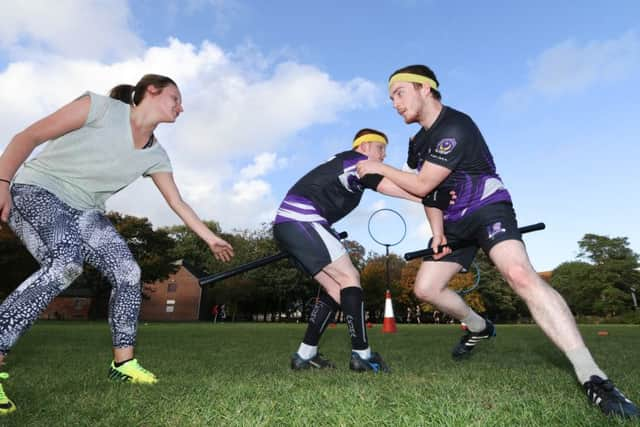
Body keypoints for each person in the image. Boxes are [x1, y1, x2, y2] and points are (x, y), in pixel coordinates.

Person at [356, 65, 638, 418]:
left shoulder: (456, 125)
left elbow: (422, 184)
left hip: (488, 207)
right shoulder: (418, 143)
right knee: (426, 289)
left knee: (519, 275)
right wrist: (439, 232)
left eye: (399, 93)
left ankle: (593, 377)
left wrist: (378, 168)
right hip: (455, 222)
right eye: (391, 98)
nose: (394, 103)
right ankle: (478, 326)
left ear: (425, 89)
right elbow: (432, 196)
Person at [0, 74, 234, 415]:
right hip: (36, 191)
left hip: (85, 210)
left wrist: (210, 238)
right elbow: (30, 135)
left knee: (128, 272)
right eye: (176, 99)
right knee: (66, 261)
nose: (181, 108)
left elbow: (177, 202)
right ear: (151, 91)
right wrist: (3, 180)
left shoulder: (156, 154)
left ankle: (123, 365)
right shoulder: (100, 108)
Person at [274, 128, 432, 373]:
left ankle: (305, 355)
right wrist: (427, 197)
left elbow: (394, 182)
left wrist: (411, 168)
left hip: (292, 224)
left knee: (336, 288)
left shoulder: (346, 163)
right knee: (350, 279)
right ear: (364, 147)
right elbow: (390, 186)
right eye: (381, 149)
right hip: (302, 220)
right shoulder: (356, 162)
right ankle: (362, 355)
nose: (383, 156)